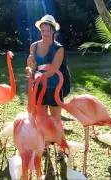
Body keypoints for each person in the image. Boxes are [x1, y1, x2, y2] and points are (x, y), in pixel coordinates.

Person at [26, 14, 70, 161]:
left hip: (54, 87)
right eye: (43, 30)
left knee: (56, 119)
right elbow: (32, 65)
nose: (45, 33)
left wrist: (37, 73)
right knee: (41, 118)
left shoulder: (59, 48)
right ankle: (44, 146)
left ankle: (60, 149)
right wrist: (31, 64)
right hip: (38, 86)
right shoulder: (34, 46)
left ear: (53, 31)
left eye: (48, 30)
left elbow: (53, 70)